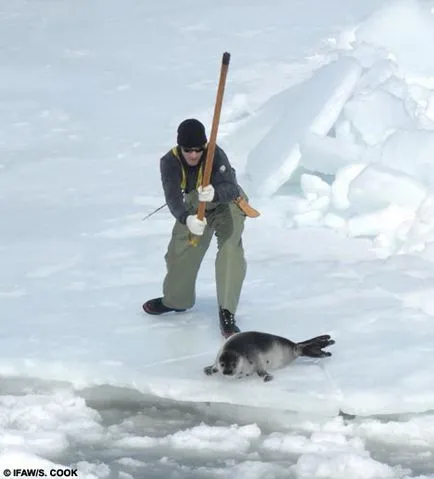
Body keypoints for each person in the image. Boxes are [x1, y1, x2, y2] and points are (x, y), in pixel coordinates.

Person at [143, 118, 251, 338]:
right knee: (180, 251)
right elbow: (173, 198)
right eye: (187, 150)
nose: (193, 155)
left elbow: (230, 188)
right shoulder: (169, 162)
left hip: (225, 204)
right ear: (179, 148)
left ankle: (227, 312)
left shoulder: (215, 154)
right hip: (194, 207)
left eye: (197, 150)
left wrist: (215, 193)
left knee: (231, 248)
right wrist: (186, 218)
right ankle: (176, 300)